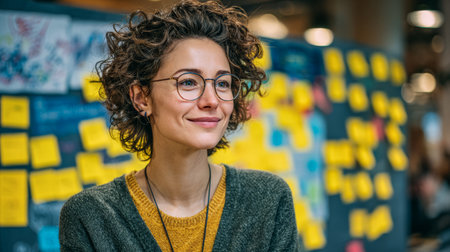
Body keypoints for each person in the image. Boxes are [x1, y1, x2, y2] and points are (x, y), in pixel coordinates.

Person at [59, 0, 301, 251]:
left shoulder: (267, 200)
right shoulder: (91, 216)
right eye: (188, 82)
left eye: (223, 83)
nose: (212, 101)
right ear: (142, 98)